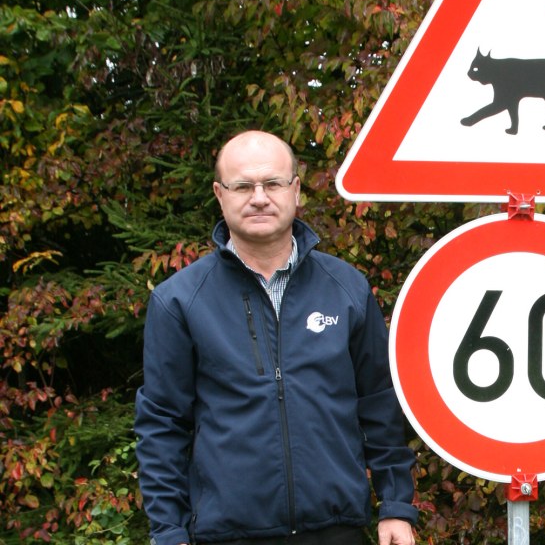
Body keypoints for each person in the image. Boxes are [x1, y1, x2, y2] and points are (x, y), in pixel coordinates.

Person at [135, 131, 418, 545]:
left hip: (336, 531)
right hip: (228, 535)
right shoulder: (179, 300)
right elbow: (162, 425)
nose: (259, 197)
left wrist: (395, 504)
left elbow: (378, 401)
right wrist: (169, 531)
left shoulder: (345, 288)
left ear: (296, 190)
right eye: (243, 186)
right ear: (219, 194)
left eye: (272, 183)